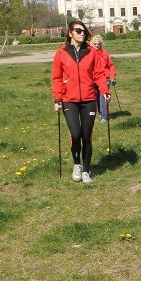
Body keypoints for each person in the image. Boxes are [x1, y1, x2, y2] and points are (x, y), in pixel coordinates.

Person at [51, 20, 109, 184]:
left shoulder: (91, 52)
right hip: (69, 100)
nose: (82, 33)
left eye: (83, 31)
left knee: (86, 135)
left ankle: (86, 170)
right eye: (78, 31)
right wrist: (57, 98)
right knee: (75, 134)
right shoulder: (61, 53)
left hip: (89, 99)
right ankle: (76, 164)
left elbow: (99, 74)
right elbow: (56, 78)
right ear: (70, 33)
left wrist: (104, 91)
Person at [90, 34, 116, 123]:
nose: (97, 46)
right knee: (96, 97)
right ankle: (101, 112)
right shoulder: (89, 54)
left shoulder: (105, 54)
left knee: (103, 96)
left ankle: (104, 116)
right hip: (93, 78)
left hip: (105, 78)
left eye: (98, 44)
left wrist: (112, 77)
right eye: (95, 44)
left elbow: (111, 66)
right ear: (92, 44)